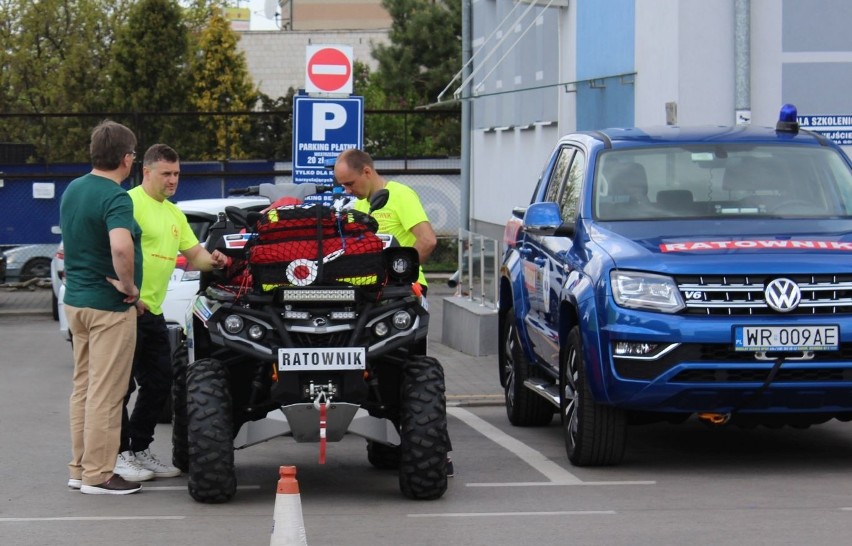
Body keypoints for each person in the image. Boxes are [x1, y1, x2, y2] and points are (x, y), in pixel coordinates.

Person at [333, 148, 455, 476]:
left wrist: (397, 273)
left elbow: (426, 241)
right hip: (365, 298)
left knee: (410, 372)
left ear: (368, 172)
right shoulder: (357, 207)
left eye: (350, 182)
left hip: (402, 294)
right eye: (341, 185)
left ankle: (438, 453)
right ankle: (387, 443)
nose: (347, 190)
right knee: (377, 369)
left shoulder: (400, 195)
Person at [114, 144, 229, 482]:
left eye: (177, 173)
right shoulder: (129, 203)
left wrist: (218, 260)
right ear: (146, 172)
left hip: (153, 312)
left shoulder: (175, 214)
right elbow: (114, 250)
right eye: (166, 173)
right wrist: (128, 295)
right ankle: (119, 455)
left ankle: (138, 448)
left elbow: (196, 256)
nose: (173, 180)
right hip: (125, 308)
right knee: (122, 387)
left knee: (161, 382)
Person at [61, 120, 143, 495]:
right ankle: (99, 474)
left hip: (76, 302)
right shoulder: (116, 196)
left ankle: (79, 469)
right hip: (109, 307)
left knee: (83, 388)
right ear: (126, 159)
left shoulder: (73, 190)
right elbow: (121, 247)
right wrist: (128, 287)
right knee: (107, 394)